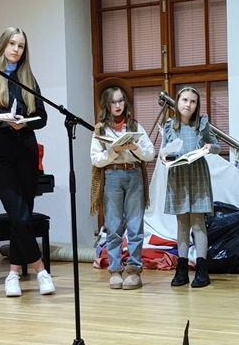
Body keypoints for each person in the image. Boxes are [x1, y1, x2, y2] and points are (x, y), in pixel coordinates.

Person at [0, 27, 54, 298]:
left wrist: (25, 122)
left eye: (21, 46)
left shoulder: (27, 79)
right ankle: (41, 270)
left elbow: (42, 116)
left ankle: (13, 275)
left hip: (25, 149)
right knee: (19, 215)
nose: (16, 49)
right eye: (12, 44)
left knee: (22, 215)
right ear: (2, 45)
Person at [90, 85, 154, 289]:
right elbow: (95, 159)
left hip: (134, 174)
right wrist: (113, 151)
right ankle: (115, 270)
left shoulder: (135, 125)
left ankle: (134, 271)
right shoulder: (100, 129)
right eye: (113, 102)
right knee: (113, 225)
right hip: (112, 175)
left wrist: (135, 147)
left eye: (120, 101)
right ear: (106, 105)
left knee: (135, 225)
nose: (118, 105)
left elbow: (150, 153)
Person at [159, 87, 217, 288]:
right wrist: (165, 156)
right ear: (177, 102)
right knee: (182, 223)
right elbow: (164, 151)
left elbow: (216, 145)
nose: (188, 105)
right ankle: (181, 269)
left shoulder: (202, 124)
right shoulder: (170, 125)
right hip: (178, 175)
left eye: (193, 101)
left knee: (198, 222)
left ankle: (202, 269)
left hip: (198, 175)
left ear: (196, 105)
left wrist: (210, 147)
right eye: (184, 100)